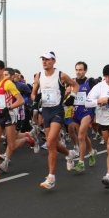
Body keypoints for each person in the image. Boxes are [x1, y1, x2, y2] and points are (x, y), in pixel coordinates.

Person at [30, 51, 79, 189]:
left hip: (57, 110)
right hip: (45, 111)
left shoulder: (61, 75)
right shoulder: (39, 76)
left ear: (54, 61)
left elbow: (75, 85)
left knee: (50, 142)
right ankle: (69, 154)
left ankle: (51, 178)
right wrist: (36, 99)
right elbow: (33, 94)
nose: (44, 62)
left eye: (47, 59)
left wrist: (72, 96)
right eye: (43, 60)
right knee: (54, 144)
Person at [0, 60, 25, 182]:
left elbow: (21, 101)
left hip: (8, 115)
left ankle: (27, 138)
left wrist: (8, 107)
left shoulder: (8, 84)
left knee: (11, 145)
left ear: (2, 70)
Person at [70, 61, 97, 172]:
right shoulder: (72, 82)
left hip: (87, 111)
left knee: (80, 136)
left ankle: (81, 163)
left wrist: (95, 113)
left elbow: (97, 96)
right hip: (75, 112)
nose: (78, 72)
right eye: (77, 69)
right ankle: (91, 152)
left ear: (85, 70)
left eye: (80, 70)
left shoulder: (90, 81)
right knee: (84, 136)